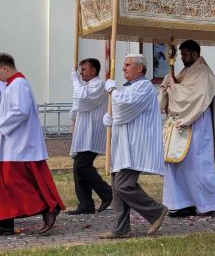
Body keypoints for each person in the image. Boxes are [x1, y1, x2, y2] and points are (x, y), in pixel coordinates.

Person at [159, 40, 215, 217]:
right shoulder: (186, 71)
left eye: (184, 55)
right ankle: (181, 203)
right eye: (181, 54)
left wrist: (173, 88)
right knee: (177, 165)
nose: (182, 58)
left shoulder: (204, 73)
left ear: (194, 54)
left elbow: (191, 97)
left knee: (196, 164)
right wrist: (170, 84)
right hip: (181, 125)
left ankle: (214, 200)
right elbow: (181, 91)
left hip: (196, 123)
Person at [100, 53, 168, 239]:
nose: (123, 69)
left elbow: (124, 106)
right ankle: (121, 228)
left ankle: (155, 211)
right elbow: (120, 112)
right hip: (122, 145)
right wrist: (110, 120)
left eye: (128, 65)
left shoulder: (144, 86)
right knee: (116, 186)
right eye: (123, 65)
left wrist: (112, 90)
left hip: (135, 144)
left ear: (140, 68)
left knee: (124, 185)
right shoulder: (128, 88)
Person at [0, 53, 65, 235]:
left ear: (4, 68)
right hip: (14, 143)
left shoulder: (18, 84)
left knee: (17, 183)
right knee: (14, 183)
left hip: (20, 143)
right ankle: (45, 209)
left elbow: (19, 111)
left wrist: (0, 124)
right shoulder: (13, 84)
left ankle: (48, 207)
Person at [68, 58, 112, 215]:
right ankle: (86, 204)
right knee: (78, 168)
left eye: (84, 70)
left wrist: (74, 80)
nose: (80, 73)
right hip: (83, 132)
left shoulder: (99, 85)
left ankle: (108, 193)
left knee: (83, 166)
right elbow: (77, 105)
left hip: (91, 133)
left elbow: (82, 100)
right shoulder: (86, 86)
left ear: (93, 70)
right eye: (80, 70)